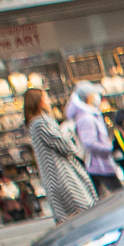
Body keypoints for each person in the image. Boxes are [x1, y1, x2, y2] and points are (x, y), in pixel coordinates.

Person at [24, 87, 95, 221]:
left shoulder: (37, 123)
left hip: (57, 176)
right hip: (63, 176)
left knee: (73, 217)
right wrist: (69, 134)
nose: (49, 101)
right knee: (81, 214)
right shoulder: (41, 123)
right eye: (45, 98)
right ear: (38, 102)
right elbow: (67, 146)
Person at [69, 81, 119, 194]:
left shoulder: (91, 114)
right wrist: (109, 148)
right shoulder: (86, 118)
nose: (97, 96)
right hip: (99, 166)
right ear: (88, 97)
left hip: (102, 165)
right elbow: (90, 143)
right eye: (94, 94)